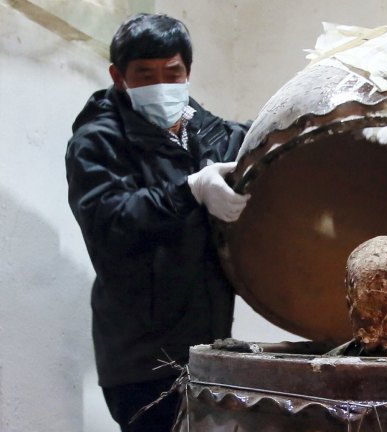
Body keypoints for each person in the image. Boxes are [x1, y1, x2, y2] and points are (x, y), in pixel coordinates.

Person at [65, 13, 252, 431]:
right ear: (119, 76)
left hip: (208, 350)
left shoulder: (212, 134)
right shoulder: (97, 141)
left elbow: (268, 146)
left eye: (172, 72)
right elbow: (110, 222)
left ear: (187, 73)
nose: (161, 84)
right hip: (141, 360)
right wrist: (189, 190)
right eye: (145, 74)